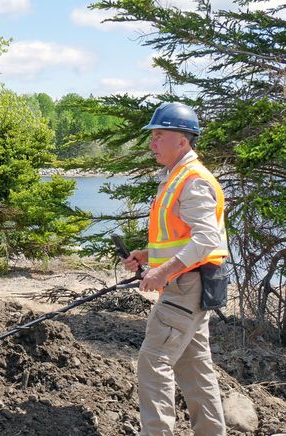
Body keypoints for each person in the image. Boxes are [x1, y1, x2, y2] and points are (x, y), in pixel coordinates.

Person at [123, 102, 227, 434]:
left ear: (182, 141)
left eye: (159, 136)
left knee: (153, 364)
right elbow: (181, 238)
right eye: (152, 137)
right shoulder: (176, 176)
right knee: (195, 370)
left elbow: (207, 238)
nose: (152, 143)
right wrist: (146, 256)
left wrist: (163, 272)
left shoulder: (192, 179)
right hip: (191, 285)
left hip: (186, 287)